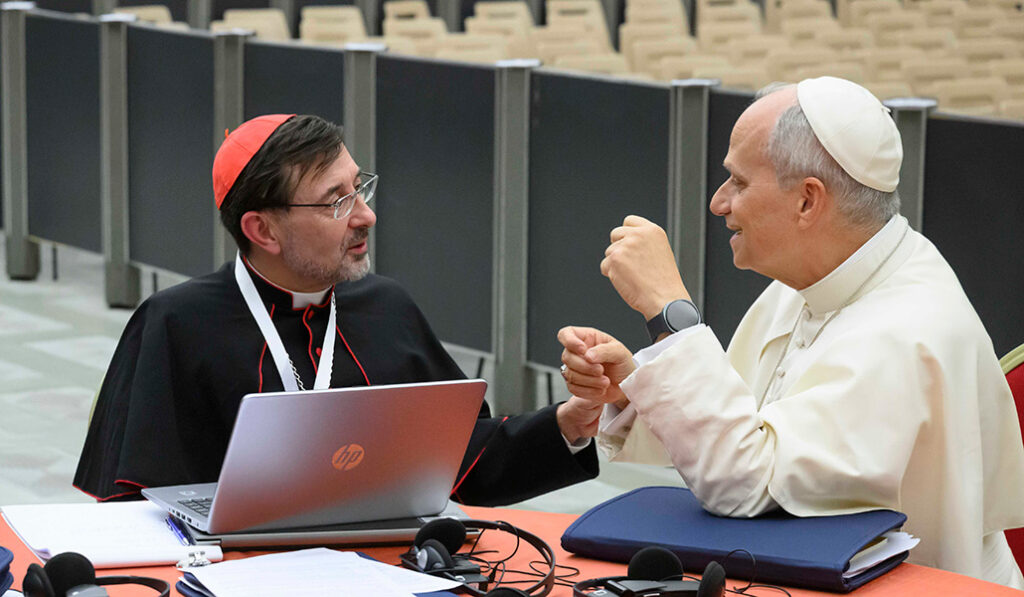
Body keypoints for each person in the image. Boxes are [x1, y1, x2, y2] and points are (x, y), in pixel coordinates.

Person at [557, 78, 1024, 586]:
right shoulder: (816, 276)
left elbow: (744, 485)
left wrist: (670, 314)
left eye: (737, 181)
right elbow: (736, 435)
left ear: (807, 201)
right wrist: (634, 392)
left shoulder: (909, 329)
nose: (718, 202)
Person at [75, 113, 602, 507]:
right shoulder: (175, 324)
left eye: (360, 188)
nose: (366, 215)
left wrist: (570, 423)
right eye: (336, 202)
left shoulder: (388, 307)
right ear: (262, 230)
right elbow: (137, 505)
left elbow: (465, 461)